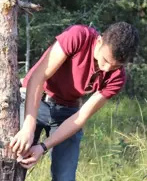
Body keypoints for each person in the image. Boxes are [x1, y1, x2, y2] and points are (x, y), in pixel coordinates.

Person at [9, 22, 140, 180]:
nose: (105, 69)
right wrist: (28, 128)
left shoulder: (117, 77)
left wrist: (43, 147)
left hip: (67, 112)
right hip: (34, 98)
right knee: (13, 162)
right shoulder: (78, 36)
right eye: (105, 60)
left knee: (65, 177)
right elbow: (38, 78)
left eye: (115, 66)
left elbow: (81, 116)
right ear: (99, 41)